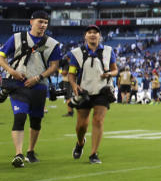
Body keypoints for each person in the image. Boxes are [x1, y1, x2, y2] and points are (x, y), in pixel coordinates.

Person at [0, 10, 61, 167]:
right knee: (19, 118)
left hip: (39, 86)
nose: (43, 25)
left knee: (36, 120)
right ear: (31, 22)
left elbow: (54, 66)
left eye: (46, 23)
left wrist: (38, 78)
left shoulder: (52, 44)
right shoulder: (16, 38)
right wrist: (12, 71)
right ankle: (18, 154)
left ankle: (30, 151)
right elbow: (1, 56)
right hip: (18, 85)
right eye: (40, 21)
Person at [66, 25, 117, 164]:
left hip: (103, 89)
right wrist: (74, 85)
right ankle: (80, 142)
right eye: (90, 32)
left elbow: (115, 70)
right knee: (81, 125)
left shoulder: (108, 51)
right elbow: (71, 74)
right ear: (85, 36)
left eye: (96, 32)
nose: (93, 34)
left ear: (100, 36)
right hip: (84, 91)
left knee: (98, 120)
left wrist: (109, 74)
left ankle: (93, 154)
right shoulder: (76, 53)